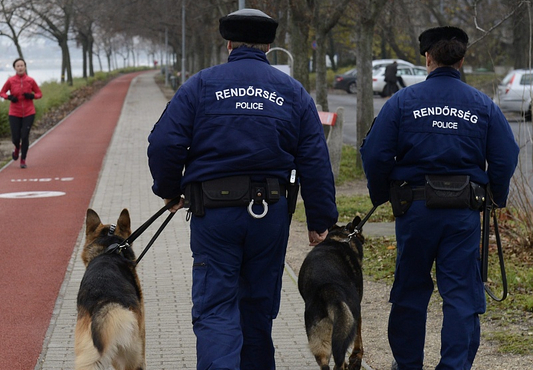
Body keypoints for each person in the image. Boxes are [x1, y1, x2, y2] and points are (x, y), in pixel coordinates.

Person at [147, 8, 338, 370]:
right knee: (256, 309)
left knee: (216, 307)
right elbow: (314, 158)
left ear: (229, 42)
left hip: (214, 215)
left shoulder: (201, 85)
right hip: (270, 215)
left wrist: (170, 191)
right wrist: (320, 218)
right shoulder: (292, 91)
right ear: (268, 45)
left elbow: (163, 144)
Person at [360, 26, 518, 370]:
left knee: (410, 292)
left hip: (414, 210)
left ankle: (407, 364)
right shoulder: (483, 105)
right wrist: (497, 198)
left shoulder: (401, 102)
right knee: (461, 295)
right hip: (462, 213)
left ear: (427, 57)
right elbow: (507, 155)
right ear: (462, 60)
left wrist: (380, 194)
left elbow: (375, 154)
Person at [0, 58, 42, 169]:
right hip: (14, 112)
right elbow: (2, 92)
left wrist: (32, 96)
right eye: (18, 66)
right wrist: (9, 97)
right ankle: (17, 148)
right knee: (16, 137)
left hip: (28, 112)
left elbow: (39, 93)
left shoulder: (30, 80)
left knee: (25, 136)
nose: (20, 67)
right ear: (15, 68)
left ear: (25, 67)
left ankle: (23, 159)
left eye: (22, 65)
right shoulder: (11, 81)